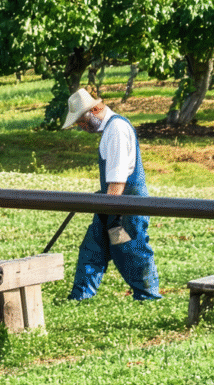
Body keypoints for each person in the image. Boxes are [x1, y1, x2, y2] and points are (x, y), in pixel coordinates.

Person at [62, 88, 161, 301]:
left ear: (95, 109)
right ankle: (79, 297)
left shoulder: (116, 129)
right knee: (92, 249)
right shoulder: (109, 129)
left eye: (82, 121)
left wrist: (110, 212)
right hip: (112, 203)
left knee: (131, 249)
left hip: (125, 206)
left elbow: (118, 179)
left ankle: (149, 297)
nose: (81, 127)